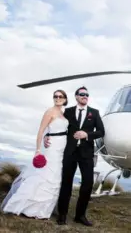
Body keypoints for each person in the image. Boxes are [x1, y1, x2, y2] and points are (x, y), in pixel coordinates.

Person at [0, 89, 69, 219]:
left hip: (61, 149)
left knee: (55, 179)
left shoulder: (63, 113)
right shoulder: (50, 112)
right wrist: (38, 150)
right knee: (43, 175)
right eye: (55, 96)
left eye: (60, 96)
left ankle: (42, 210)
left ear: (65, 99)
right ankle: (20, 205)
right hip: (51, 148)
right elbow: (41, 130)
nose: (57, 98)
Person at [44, 86, 105, 226]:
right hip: (69, 152)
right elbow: (57, 126)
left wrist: (87, 135)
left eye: (87, 94)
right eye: (82, 94)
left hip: (86, 154)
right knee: (66, 183)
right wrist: (46, 135)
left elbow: (101, 132)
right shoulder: (68, 111)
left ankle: (80, 215)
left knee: (88, 183)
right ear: (76, 96)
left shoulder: (94, 113)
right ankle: (62, 214)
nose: (85, 96)